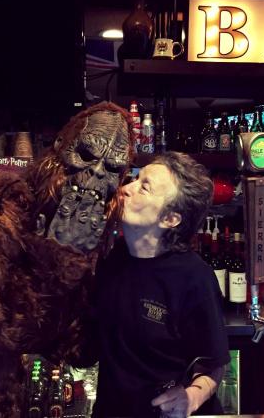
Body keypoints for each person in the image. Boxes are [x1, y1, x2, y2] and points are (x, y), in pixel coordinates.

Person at [90, 151, 230, 418]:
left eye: (144, 187)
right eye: (134, 179)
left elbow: (214, 362)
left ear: (170, 219)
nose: (126, 189)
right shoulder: (110, 257)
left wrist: (191, 396)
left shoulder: (193, 277)